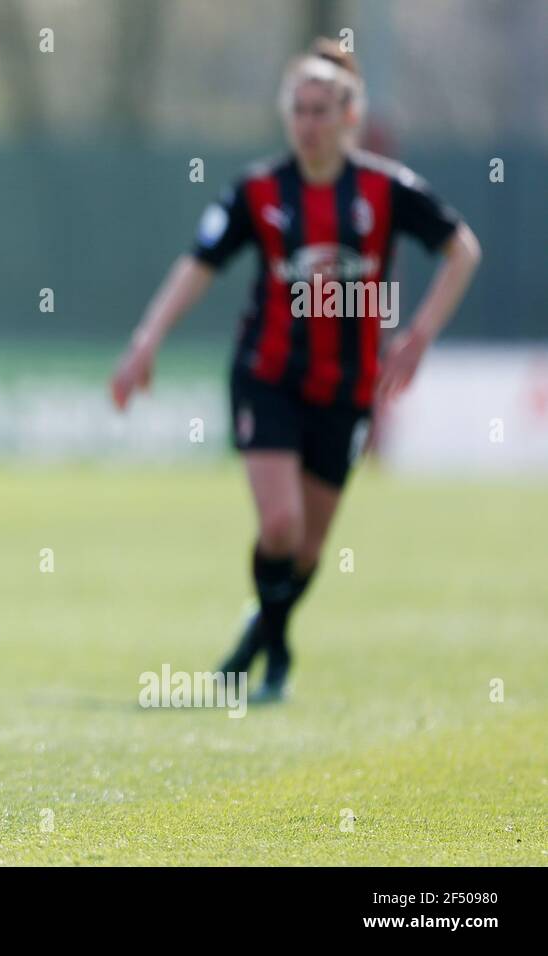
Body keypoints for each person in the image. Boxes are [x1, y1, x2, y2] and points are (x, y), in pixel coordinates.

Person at [110, 39, 480, 701]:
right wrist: (146, 341)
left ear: (349, 116)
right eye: (299, 109)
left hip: (347, 390)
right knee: (280, 527)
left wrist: (420, 334)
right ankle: (274, 656)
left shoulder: (385, 189)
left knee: (307, 552)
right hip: (268, 376)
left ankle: (253, 642)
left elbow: (462, 250)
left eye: (321, 110)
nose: (309, 122)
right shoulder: (258, 191)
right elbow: (197, 266)